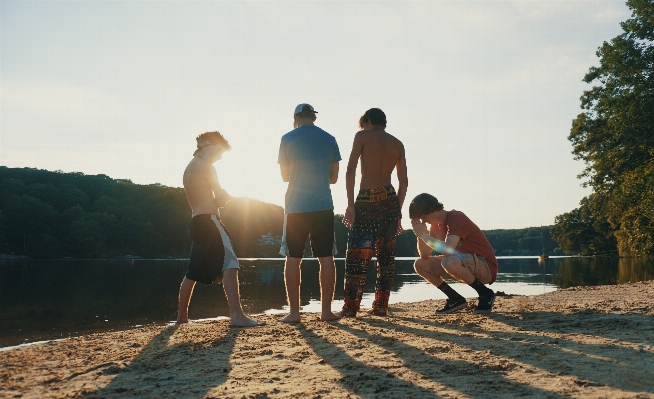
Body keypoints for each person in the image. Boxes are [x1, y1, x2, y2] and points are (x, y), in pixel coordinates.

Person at [177, 131, 264, 327]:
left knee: (192, 273)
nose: (221, 156)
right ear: (210, 145)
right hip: (210, 221)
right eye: (220, 151)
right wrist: (224, 197)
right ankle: (237, 316)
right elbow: (220, 196)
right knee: (230, 264)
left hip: (197, 222)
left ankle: (181, 318)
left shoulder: (189, 168)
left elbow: (201, 196)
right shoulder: (207, 167)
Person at [340, 108, 408, 317]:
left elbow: (350, 170)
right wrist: (397, 211)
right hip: (389, 200)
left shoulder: (362, 136)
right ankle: (381, 307)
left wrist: (351, 205)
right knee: (385, 258)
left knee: (357, 256)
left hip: (367, 199)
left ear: (368, 121)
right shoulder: (397, 143)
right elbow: (403, 182)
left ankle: (351, 307)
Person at [278, 104, 342, 322]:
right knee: (326, 259)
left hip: (296, 206)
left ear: (296, 117)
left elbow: (284, 176)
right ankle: (326, 312)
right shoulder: (330, 138)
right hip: (323, 204)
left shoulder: (287, 138)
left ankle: (294, 313)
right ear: (314, 117)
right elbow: (334, 178)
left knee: (293, 259)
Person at [409, 193, 498, 314]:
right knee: (420, 264)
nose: (423, 221)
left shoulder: (456, 217)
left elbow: (448, 250)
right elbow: (424, 255)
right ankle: (455, 299)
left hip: (486, 267)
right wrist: (420, 235)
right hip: (463, 265)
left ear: (431, 209)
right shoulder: (435, 226)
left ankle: (485, 293)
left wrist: (424, 236)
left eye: (423, 217)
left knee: (448, 260)